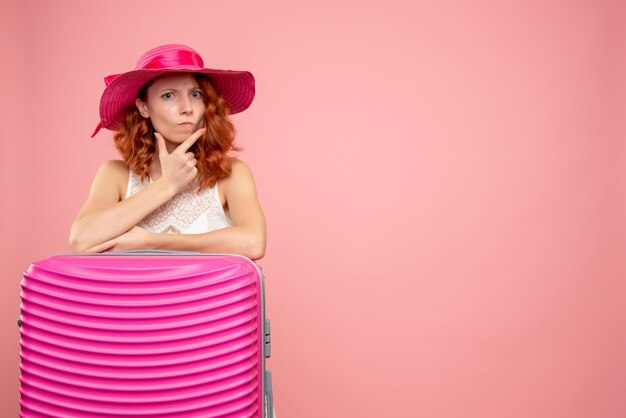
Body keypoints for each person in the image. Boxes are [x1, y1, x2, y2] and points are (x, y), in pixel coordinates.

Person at [69, 44, 266, 259]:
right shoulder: (115, 174)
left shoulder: (231, 172)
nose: (187, 107)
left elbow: (253, 243)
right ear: (143, 107)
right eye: (168, 96)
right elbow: (81, 240)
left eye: (195, 94)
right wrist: (167, 185)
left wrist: (151, 243)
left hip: (208, 293)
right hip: (136, 293)